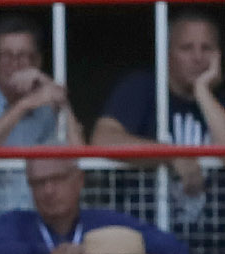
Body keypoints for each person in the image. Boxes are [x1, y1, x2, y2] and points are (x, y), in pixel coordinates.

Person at [94, 9, 225, 199]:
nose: (198, 58)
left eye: (207, 48)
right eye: (187, 48)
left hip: (212, 228)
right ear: (167, 54)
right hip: (143, 225)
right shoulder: (143, 87)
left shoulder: (219, 100)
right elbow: (103, 140)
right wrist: (173, 155)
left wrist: (203, 91)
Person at [0, 156, 189, 254]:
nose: (48, 190)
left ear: (79, 180)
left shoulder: (105, 220)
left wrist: (101, 251)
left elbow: (175, 250)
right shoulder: (15, 222)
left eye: (58, 179)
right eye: (38, 183)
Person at [0, 17, 82, 150]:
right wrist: (23, 106)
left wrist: (60, 99)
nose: (15, 64)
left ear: (37, 62)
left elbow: (79, 156)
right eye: (6, 55)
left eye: (23, 55)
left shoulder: (48, 105)